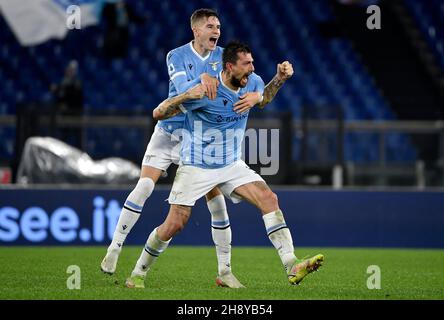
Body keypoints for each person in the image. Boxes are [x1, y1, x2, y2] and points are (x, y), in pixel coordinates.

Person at [124, 41, 324, 289]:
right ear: (229, 66)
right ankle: (138, 273)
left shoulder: (252, 82)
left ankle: (291, 263)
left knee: (269, 198)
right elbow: (159, 112)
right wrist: (186, 95)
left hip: (230, 164)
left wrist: (276, 81)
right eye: (246, 64)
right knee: (175, 223)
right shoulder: (206, 92)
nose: (252, 69)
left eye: (252, 63)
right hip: (197, 165)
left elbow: (265, 99)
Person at [101, 9, 265, 289]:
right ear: (196, 30)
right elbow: (183, 92)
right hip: (169, 132)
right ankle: (115, 248)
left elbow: (248, 78)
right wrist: (201, 80)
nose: (217, 31)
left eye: (219, 26)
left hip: (198, 137)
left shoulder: (224, 56)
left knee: (218, 206)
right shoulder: (176, 55)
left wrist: (258, 94)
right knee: (144, 186)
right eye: (211, 26)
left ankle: (225, 271)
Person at [50, 60, 84, 149]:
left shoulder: (76, 82)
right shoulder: (64, 81)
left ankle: (79, 153)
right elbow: (60, 97)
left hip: (75, 113)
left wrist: (58, 89)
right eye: (69, 70)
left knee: (77, 136)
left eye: (72, 70)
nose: (69, 72)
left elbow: (74, 95)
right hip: (65, 113)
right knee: (64, 135)